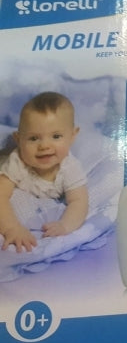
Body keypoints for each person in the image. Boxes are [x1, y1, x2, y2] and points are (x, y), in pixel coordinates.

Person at [0, 92, 89, 253]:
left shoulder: (70, 168)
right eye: (34, 138)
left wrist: (65, 225)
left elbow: (79, 201)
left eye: (56, 136)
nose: (44, 146)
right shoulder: (17, 161)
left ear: (72, 136)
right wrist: (12, 228)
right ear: (18, 139)